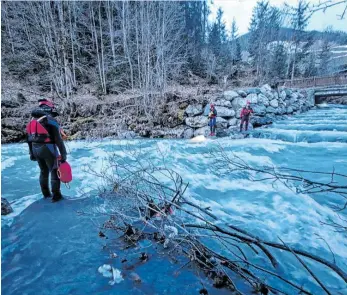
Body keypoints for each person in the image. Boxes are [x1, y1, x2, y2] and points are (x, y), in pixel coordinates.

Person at [26, 99, 67, 202]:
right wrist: (64, 154)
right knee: (54, 170)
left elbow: (29, 139)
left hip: (35, 148)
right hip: (48, 148)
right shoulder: (50, 119)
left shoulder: (32, 120)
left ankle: (46, 194)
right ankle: (56, 196)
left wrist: (31, 153)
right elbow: (58, 140)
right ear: (50, 109)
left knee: (43, 171)